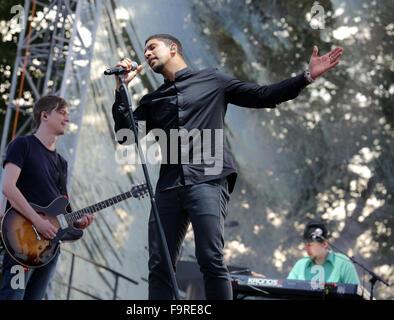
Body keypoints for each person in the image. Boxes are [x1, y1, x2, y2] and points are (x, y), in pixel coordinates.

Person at [111, 33, 343, 300]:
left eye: (152, 47)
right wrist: (121, 90)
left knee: (210, 257)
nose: (147, 54)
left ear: (173, 49)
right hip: (168, 187)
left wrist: (306, 77)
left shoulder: (213, 80)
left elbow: (262, 95)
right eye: (145, 51)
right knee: (159, 264)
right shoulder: (152, 100)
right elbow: (125, 134)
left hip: (208, 179)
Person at [0, 95, 94, 300]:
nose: (67, 119)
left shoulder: (62, 163)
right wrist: (38, 221)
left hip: (49, 247)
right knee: (13, 296)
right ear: (44, 116)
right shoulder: (22, 145)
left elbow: (61, 206)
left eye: (68, 115)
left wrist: (76, 221)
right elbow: (8, 187)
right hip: (21, 243)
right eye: (62, 113)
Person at [287, 221, 360, 285]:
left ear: (325, 244)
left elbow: (357, 294)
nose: (307, 249)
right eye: (305, 245)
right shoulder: (300, 264)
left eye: (310, 245)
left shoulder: (343, 263)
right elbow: (286, 292)